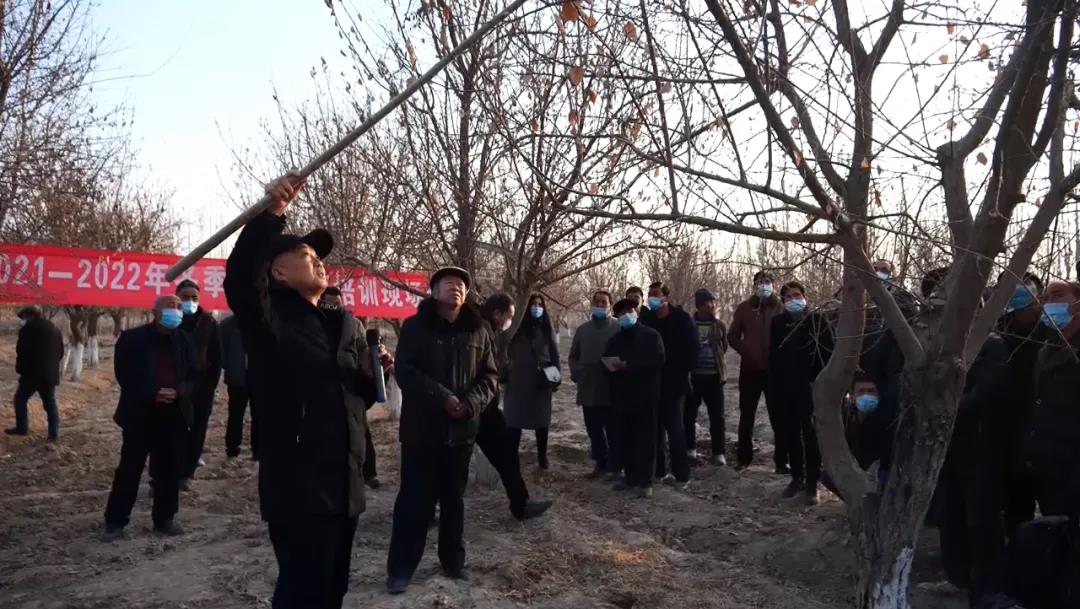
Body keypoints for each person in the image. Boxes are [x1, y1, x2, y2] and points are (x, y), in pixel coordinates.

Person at [224, 172, 388, 609]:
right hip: (299, 484)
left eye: (318, 256)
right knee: (302, 592)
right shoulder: (269, 320)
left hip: (344, 482)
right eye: (305, 254)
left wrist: (370, 379)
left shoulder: (339, 324)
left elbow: (350, 399)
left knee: (333, 590)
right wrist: (270, 215)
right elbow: (241, 281)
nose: (318, 262)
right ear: (277, 272)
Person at [387, 266, 499, 593]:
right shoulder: (415, 327)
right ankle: (401, 569)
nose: (456, 287)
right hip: (421, 432)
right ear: (434, 291)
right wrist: (443, 398)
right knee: (414, 503)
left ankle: (453, 562)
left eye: (461, 284)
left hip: (462, 432)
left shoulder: (478, 331)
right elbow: (405, 371)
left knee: (454, 501)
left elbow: (490, 377)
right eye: (448, 282)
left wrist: (470, 403)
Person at [101, 295, 197, 541]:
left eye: (179, 307)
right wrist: (152, 392)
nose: (176, 310)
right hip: (140, 414)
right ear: (155, 312)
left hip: (173, 415)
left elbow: (195, 375)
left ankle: (165, 519)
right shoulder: (132, 339)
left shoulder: (185, 340)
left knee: (168, 470)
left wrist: (179, 392)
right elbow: (124, 374)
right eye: (170, 306)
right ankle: (115, 522)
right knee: (129, 469)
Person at [478, 293, 553, 519]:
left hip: (482, 405)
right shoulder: (480, 331)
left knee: (506, 455)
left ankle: (521, 503)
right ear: (497, 314)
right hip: (479, 407)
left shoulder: (486, 330)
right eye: (509, 316)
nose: (509, 322)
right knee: (505, 455)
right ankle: (520, 505)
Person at [987, 272, 1045, 538]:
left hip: (1038, 425)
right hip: (1000, 427)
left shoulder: (1049, 332)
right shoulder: (994, 330)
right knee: (1009, 502)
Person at [769, 281, 834, 505]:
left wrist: (821, 384)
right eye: (788, 297)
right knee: (791, 433)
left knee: (811, 435)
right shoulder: (778, 323)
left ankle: (812, 482)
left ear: (805, 297)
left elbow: (827, 354)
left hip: (811, 386)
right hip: (786, 387)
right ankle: (796, 477)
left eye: (797, 295)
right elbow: (773, 356)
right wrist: (775, 387)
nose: (793, 300)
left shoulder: (817, 321)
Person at [1023, 280, 1080, 520]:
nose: (1048, 304)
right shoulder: (1046, 348)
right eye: (1045, 299)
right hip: (1047, 466)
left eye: (1057, 295)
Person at [320, 286, 380, 488]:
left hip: (351, 386)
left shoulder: (353, 324)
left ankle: (369, 473)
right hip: (324, 388)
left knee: (361, 431)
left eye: (337, 304)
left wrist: (369, 368)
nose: (333, 307)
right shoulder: (313, 322)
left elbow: (363, 350)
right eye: (328, 303)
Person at [604, 298, 665, 498]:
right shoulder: (615, 340)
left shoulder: (651, 336)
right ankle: (631, 479)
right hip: (622, 397)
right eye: (621, 313)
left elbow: (658, 359)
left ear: (636, 313)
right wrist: (612, 366)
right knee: (626, 438)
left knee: (646, 440)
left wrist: (630, 366)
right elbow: (606, 361)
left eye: (629, 311)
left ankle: (646, 481)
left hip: (646, 395)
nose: (625, 315)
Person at [641, 281, 697, 489]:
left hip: (674, 383)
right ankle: (658, 472)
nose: (652, 298)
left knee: (675, 431)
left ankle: (681, 476)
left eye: (656, 294)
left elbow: (693, 349)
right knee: (654, 431)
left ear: (666, 297)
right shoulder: (646, 319)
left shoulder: (682, 319)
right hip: (651, 383)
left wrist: (681, 370)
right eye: (650, 294)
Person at [728, 270, 785, 471]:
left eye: (768, 281)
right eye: (760, 282)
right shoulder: (745, 308)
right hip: (750, 369)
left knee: (778, 416)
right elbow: (732, 336)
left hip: (774, 370)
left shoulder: (780, 307)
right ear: (754, 285)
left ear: (773, 285)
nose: (764, 285)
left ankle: (782, 461)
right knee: (746, 416)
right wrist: (746, 350)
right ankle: (744, 459)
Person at [503, 293, 560, 470]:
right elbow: (503, 351)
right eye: (533, 304)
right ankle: (511, 458)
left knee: (541, 421)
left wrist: (556, 377)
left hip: (541, 381)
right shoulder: (515, 328)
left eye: (540, 305)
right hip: (517, 381)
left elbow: (554, 354)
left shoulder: (546, 328)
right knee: (514, 421)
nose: (537, 308)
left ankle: (542, 457)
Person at [175, 279, 222, 485]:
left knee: (197, 430)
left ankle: (187, 473)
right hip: (174, 386)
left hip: (202, 388)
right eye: (185, 297)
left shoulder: (208, 323)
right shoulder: (170, 319)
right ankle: (163, 475)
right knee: (171, 431)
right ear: (177, 297)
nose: (190, 302)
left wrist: (210, 386)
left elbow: (217, 357)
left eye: (194, 298)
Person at [570, 290, 620, 477]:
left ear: (610, 306)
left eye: (603, 302)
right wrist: (579, 373)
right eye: (596, 302)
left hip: (612, 388)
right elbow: (573, 356)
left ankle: (616, 465)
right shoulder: (583, 330)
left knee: (613, 429)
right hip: (588, 388)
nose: (599, 305)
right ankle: (600, 463)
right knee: (594, 429)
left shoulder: (618, 327)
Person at [5, 305, 64, 440]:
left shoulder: (27, 330)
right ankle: (53, 433)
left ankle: (22, 428)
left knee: (20, 399)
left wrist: (20, 369)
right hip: (49, 374)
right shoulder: (55, 330)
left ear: (30, 316)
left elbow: (21, 352)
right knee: (50, 403)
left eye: (24, 317)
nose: (23, 320)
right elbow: (60, 353)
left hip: (31, 374)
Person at [684, 289, 729, 466]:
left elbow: (723, 346)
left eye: (713, 302)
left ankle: (718, 452)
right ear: (700, 305)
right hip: (694, 377)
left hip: (714, 377)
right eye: (709, 302)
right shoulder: (689, 324)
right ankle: (690, 449)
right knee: (689, 415)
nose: (713, 305)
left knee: (717, 417)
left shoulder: (719, 325)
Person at [220, 313, 257, 460]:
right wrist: (230, 366)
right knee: (235, 413)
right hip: (237, 377)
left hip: (258, 377)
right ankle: (232, 447)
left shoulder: (263, 322)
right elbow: (220, 351)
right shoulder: (227, 325)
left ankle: (257, 448)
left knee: (258, 414)